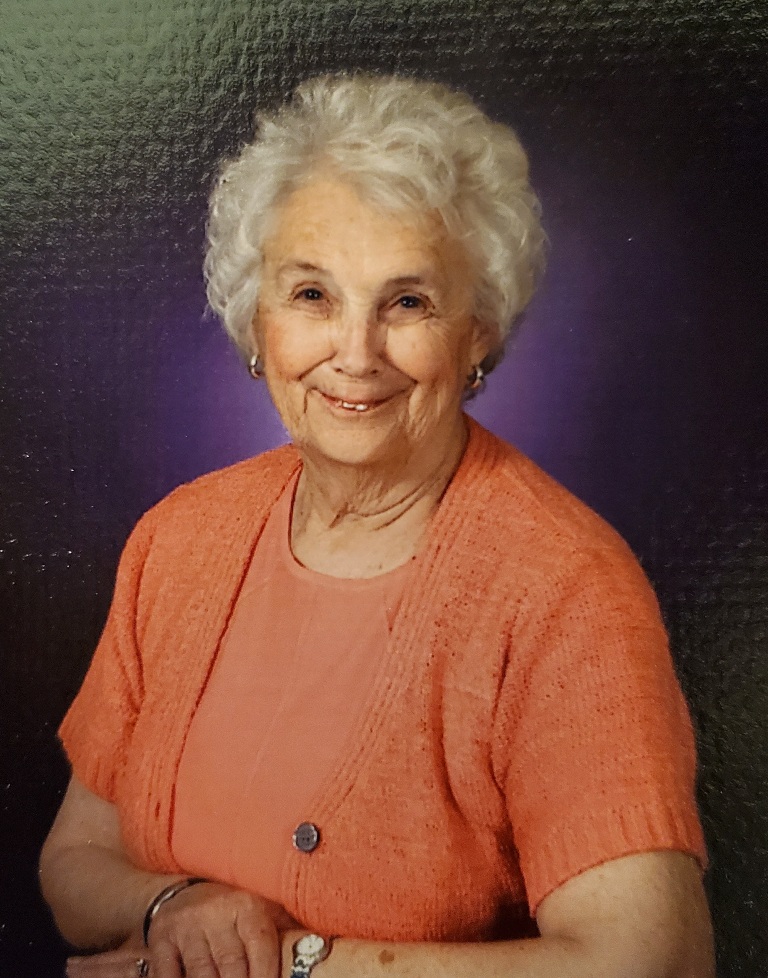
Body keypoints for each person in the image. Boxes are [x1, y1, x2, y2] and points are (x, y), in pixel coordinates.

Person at [40, 73, 714, 978]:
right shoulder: (177, 541)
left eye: (407, 302)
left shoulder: (565, 590)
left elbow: (653, 960)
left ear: (478, 333)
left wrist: (291, 965)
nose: (354, 355)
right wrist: (175, 907)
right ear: (257, 320)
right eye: (311, 295)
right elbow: (75, 865)